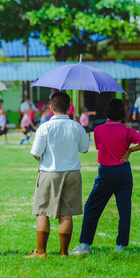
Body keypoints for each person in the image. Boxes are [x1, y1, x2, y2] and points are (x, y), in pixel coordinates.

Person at [71, 99, 140, 255]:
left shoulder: (99, 129)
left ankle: (85, 246)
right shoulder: (127, 130)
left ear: (106, 113)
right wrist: (130, 151)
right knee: (124, 210)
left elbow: (98, 147)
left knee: (92, 207)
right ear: (122, 114)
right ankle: (120, 247)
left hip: (106, 173)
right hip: (124, 173)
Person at [26, 92, 90, 258]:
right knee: (66, 212)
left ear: (50, 107)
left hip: (49, 172)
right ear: (69, 107)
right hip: (72, 172)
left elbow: (36, 153)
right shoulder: (77, 126)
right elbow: (85, 149)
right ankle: (64, 252)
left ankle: (41, 251)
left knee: (42, 211)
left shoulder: (45, 127)